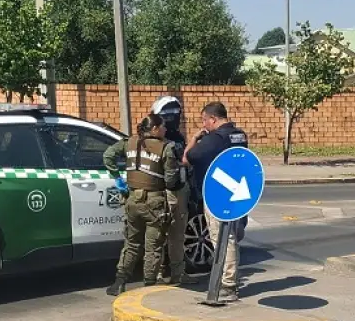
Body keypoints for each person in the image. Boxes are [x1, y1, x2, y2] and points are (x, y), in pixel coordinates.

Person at [102, 114, 184, 295]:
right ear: (154, 128)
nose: (165, 130)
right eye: (162, 127)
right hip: (155, 202)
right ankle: (148, 286)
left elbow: (108, 156)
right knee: (152, 247)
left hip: (132, 200)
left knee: (131, 243)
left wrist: (118, 179)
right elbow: (171, 181)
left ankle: (119, 282)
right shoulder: (166, 148)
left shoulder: (128, 142)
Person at [184, 101, 248, 302]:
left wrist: (196, 138)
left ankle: (228, 285)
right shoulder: (239, 135)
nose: (204, 125)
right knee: (230, 237)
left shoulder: (214, 139)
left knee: (221, 238)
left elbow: (188, 157)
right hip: (237, 192)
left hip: (217, 194)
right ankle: (229, 280)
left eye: (204, 120)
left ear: (213, 119)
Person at [150, 96, 199, 286]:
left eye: (176, 114)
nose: (174, 118)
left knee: (176, 235)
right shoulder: (154, 139)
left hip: (178, 189)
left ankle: (177, 273)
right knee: (161, 235)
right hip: (162, 191)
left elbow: (185, 164)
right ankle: (160, 274)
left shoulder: (177, 137)